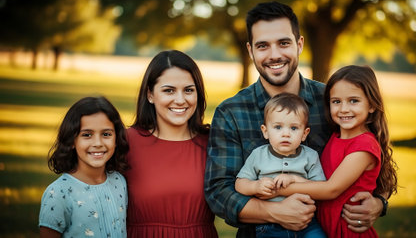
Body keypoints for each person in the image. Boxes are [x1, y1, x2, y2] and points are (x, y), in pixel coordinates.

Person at [205, 1, 388, 237]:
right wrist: (274, 211)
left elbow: (373, 163)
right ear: (250, 51)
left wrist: (379, 202)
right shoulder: (231, 112)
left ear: (299, 44)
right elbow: (219, 192)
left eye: (283, 43)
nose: (274, 55)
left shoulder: (333, 103)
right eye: (263, 46)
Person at [266, 65, 398, 237]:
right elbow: (320, 180)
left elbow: (331, 189)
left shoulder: (364, 145)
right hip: (326, 227)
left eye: (354, 101)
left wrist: (275, 190)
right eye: (336, 101)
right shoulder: (335, 136)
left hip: (348, 229)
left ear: (372, 105)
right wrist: (293, 179)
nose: (343, 109)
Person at [125, 50, 218, 237]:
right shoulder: (126, 142)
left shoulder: (214, 142)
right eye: (169, 90)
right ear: (150, 94)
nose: (180, 100)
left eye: (189, 90)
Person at [235, 92, 326, 238]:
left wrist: (295, 180)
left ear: (304, 133)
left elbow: (320, 187)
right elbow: (239, 184)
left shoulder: (310, 156)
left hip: (307, 222)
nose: (286, 134)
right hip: (270, 226)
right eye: (278, 127)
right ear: (265, 131)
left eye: (294, 128)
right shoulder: (258, 155)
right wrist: (256, 186)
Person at [39, 96, 130, 238]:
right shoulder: (57, 193)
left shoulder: (119, 182)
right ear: (72, 141)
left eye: (106, 134)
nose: (98, 143)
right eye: (87, 135)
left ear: (117, 139)